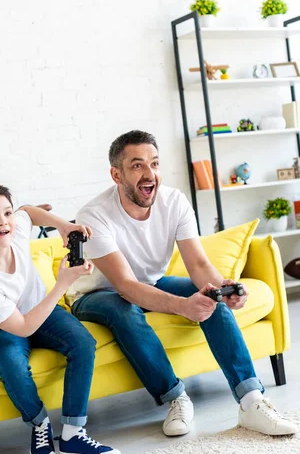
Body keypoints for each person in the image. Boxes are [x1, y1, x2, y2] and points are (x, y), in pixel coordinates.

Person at [67, 130, 298, 437]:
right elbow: (125, 285)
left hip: (151, 281)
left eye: (155, 163)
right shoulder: (94, 215)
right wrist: (182, 307)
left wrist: (221, 288)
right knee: (121, 307)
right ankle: (175, 398)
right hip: (97, 293)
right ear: (116, 174)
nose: (150, 173)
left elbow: (199, 264)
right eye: (137, 165)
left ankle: (251, 401)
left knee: (209, 298)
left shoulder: (174, 201)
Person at [0, 181, 121, 454]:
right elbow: (23, 327)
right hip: (8, 326)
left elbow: (28, 212)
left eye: (6, 213)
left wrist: (63, 226)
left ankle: (73, 433)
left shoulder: (17, 230)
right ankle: (39, 425)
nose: (3, 222)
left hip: (43, 311)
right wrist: (63, 283)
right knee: (12, 366)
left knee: (83, 343)